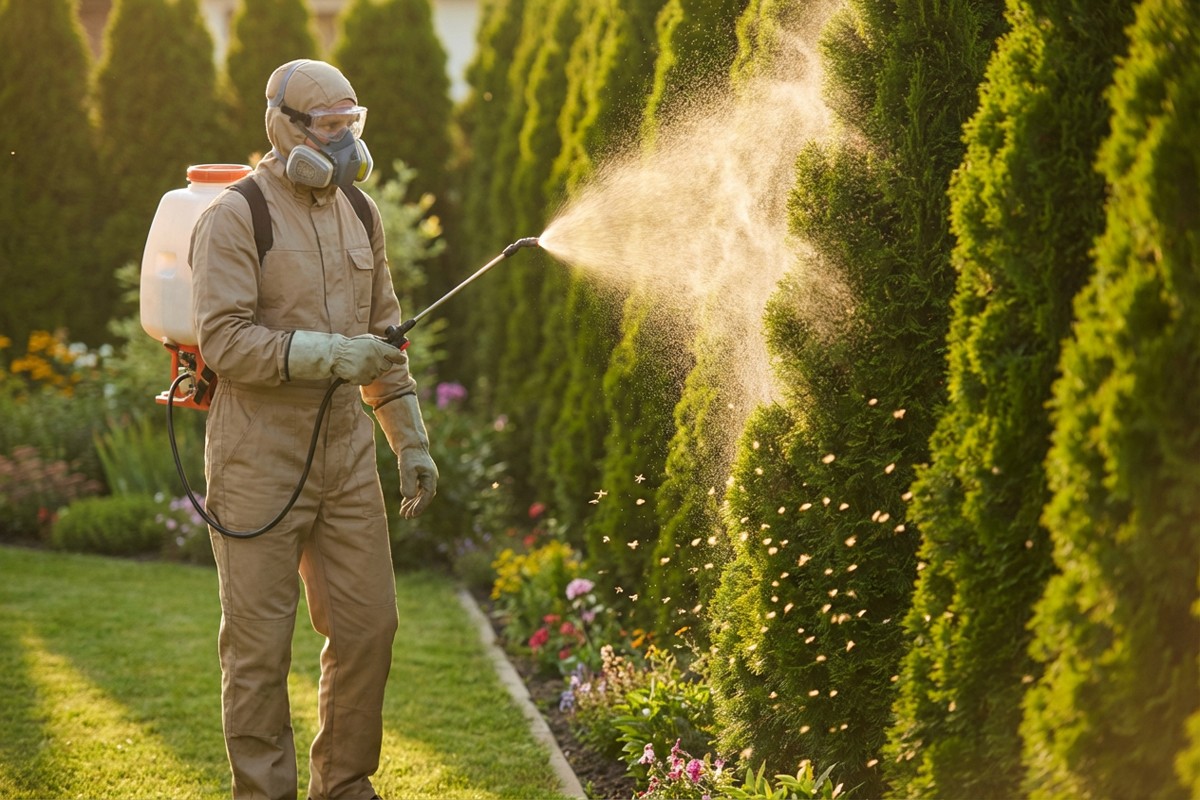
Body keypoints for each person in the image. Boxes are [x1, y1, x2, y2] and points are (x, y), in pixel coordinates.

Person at [190, 58, 438, 800]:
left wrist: (411, 439)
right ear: (285, 127)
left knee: (369, 630)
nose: (340, 143)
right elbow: (224, 342)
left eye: (349, 127)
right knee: (259, 652)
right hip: (256, 458)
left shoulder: (363, 215)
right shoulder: (237, 216)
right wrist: (332, 354)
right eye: (327, 128)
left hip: (346, 462)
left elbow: (384, 343)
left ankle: (344, 786)